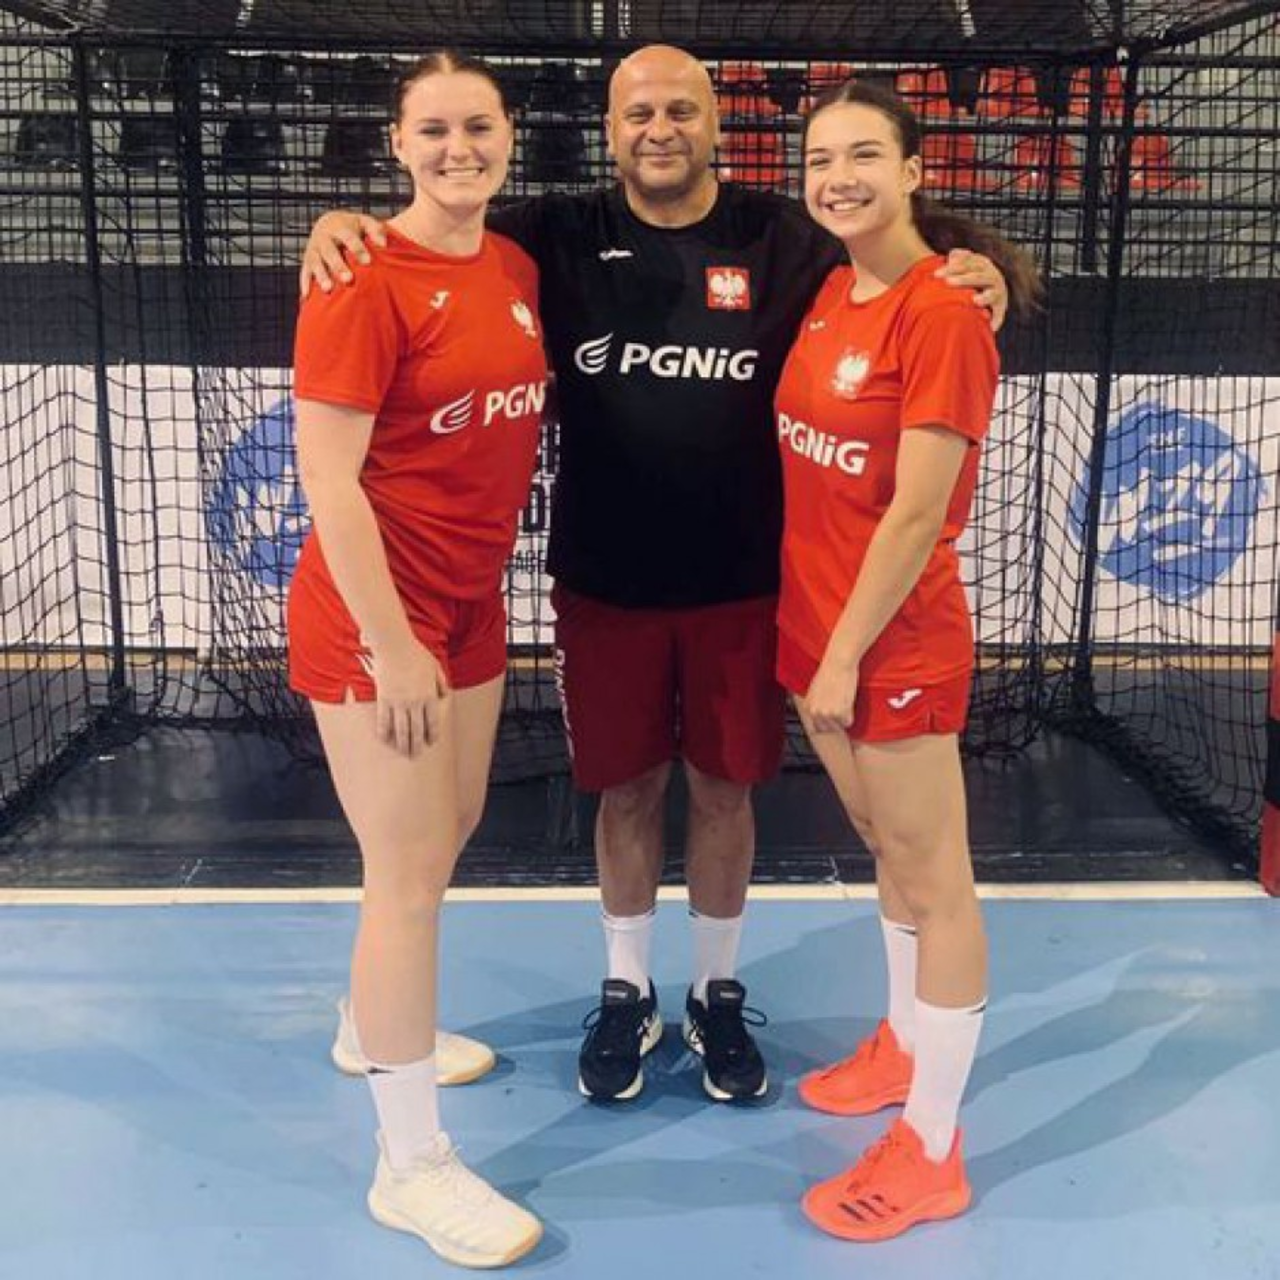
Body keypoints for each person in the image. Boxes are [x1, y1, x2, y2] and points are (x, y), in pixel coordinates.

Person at [301, 45, 1009, 1106]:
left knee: (724, 794)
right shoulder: (547, 236)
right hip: (604, 580)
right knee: (623, 793)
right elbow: (431, 227)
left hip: (743, 585)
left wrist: (973, 267)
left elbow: (892, 255)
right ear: (609, 128)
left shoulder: (787, 238)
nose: (660, 128)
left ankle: (716, 990)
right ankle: (626, 989)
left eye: (682, 109)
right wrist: (332, 223)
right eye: (638, 113)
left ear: (718, 125)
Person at [289, 50, 546, 1267]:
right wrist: (389, 642)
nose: (458, 148)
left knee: (448, 830)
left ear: (509, 134)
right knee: (402, 875)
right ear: (396, 143)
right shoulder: (357, 278)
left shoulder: (513, 268)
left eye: (477, 126)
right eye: (433, 129)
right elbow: (328, 478)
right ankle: (409, 1164)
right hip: (374, 615)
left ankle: (367, 1026)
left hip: (470, 601)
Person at [774, 79, 1041, 1241]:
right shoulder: (834, 289)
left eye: (863, 155)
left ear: (915, 169)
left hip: (888, 642)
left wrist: (841, 655)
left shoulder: (941, 314)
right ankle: (899, 1042)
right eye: (819, 158)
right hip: (815, 628)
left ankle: (932, 1145)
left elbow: (916, 512)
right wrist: (815, 646)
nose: (837, 177)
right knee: (884, 846)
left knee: (937, 883)